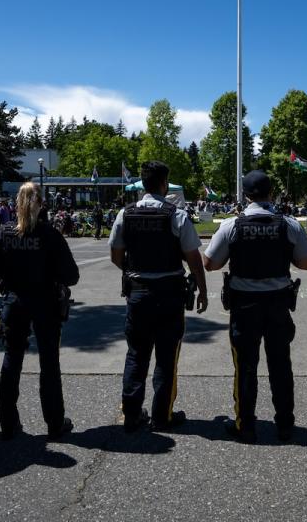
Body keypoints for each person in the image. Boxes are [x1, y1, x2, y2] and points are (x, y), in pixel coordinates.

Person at [203, 170, 307, 443]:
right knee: (280, 365)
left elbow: (210, 263)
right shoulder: (288, 224)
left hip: (244, 306)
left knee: (245, 367)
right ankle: (285, 424)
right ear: (271, 193)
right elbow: (306, 263)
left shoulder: (232, 226)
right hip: (277, 304)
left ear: (246, 195)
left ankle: (246, 425)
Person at [108, 161, 208, 432]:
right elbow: (194, 259)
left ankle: (130, 413)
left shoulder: (124, 214)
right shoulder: (176, 215)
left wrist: (133, 270)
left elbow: (116, 255)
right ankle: (162, 415)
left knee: (136, 354)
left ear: (142, 184)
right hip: (169, 294)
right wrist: (202, 290)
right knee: (166, 357)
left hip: (138, 293)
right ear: (165, 183)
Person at [0, 182, 80, 440]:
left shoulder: (4, 233)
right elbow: (71, 275)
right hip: (44, 303)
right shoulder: (49, 235)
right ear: (41, 204)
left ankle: (8, 423)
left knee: (12, 360)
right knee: (49, 363)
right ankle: (54, 422)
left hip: (15, 301)